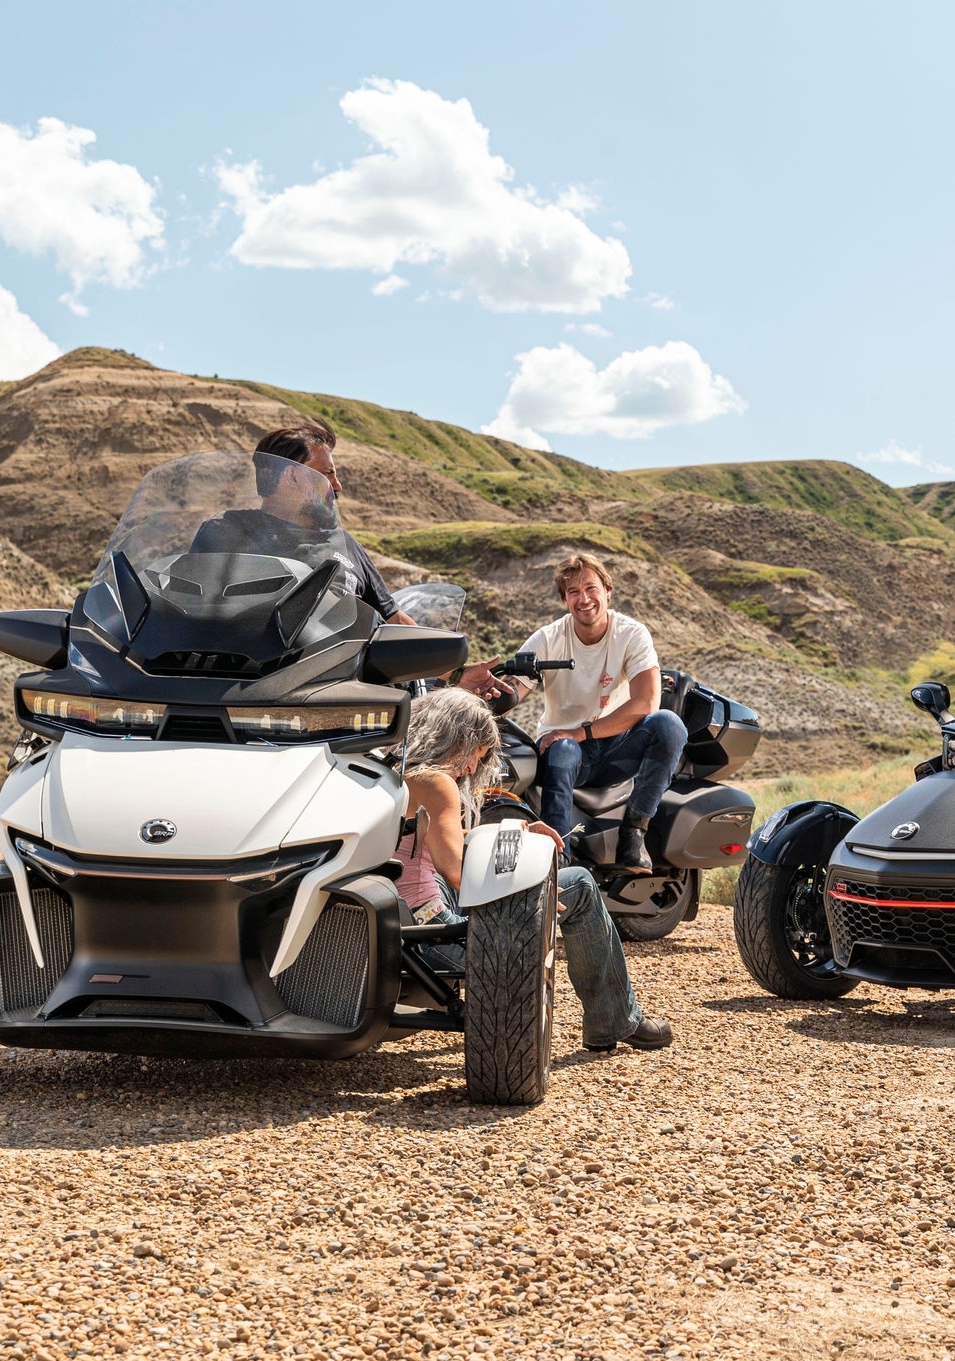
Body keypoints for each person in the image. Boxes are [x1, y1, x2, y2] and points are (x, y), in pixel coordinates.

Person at [396, 687, 673, 1052]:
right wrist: (529, 893)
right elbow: (458, 874)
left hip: (399, 920)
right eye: (474, 755)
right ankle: (614, 1020)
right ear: (455, 736)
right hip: (432, 937)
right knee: (581, 885)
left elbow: (439, 841)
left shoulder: (392, 770)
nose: (471, 769)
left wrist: (512, 830)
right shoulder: (437, 783)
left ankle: (614, 1018)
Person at [460, 553, 685, 874]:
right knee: (564, 749)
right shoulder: (548, 638)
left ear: (608, 591)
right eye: (574, 592)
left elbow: (647, 702)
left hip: (616, 748)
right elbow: (513, 691)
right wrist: (480, 692)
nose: (584, 599)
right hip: (564, 753)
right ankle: (559, 859)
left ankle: (634, 832)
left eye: (591, 588)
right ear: (565, 600)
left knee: (669, 724)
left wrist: (580, 732)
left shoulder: (632, 633)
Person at [191, 420, 416, 624]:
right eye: (327, 474)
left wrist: (435, 651)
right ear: (292, 476)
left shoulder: (347, 544)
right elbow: (188, 606)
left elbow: (396, 620)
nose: (337, 486)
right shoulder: (226, 530)